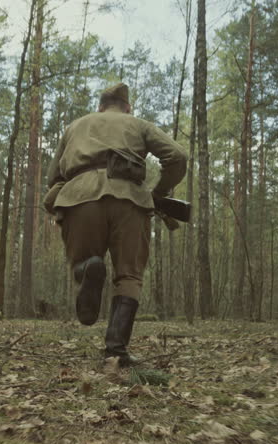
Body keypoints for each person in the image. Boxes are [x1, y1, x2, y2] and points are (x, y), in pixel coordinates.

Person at [44, 83, 187, 366]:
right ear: (127, 107)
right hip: (130, 201)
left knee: (82, 262)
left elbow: (54, 176)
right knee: (129, 276)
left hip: (80, 198)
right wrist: (158, 192)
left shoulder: (75, 127)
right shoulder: (138, 124)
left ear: (100, 106)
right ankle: (116, 351)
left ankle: (88, 267)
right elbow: (178, 157)